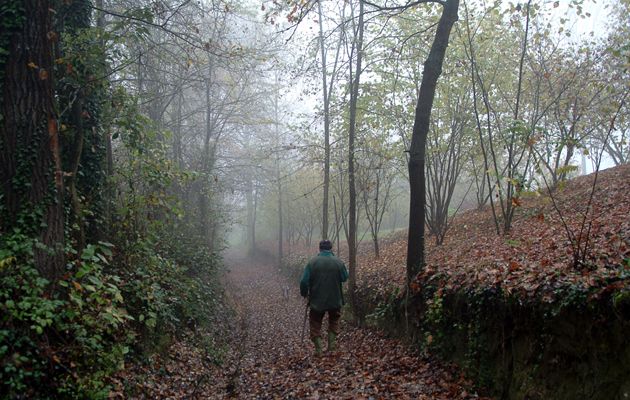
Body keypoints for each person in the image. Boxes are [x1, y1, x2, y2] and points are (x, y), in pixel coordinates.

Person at [300, 239, 348, 355]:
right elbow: (344, 278)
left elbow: (303, 282)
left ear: (319, 248)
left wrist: (304, 293)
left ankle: (319, 350)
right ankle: (331, 347)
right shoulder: (339, 262)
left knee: (315, 323)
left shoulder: (312, 262)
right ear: (331, 248)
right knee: (334, 321)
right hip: (335, 300)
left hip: (317, 301)